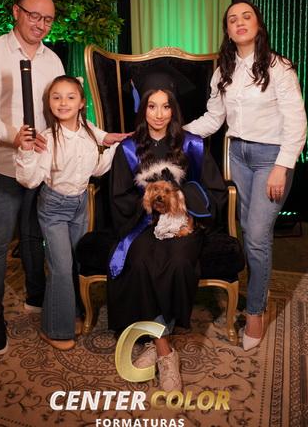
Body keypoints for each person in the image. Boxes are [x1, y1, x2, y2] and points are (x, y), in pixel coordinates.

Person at [0, 0, 125, 356]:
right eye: (34, 15)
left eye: (47, 19)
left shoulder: (52, 60)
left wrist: (100, 137)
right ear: (16, 12)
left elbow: (65, 114)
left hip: (43, 167)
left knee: (34, 238)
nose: (41, 24)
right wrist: (10, 135)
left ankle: (37, 296)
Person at [185, 0, 307, 351]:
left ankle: (255, 311)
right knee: (250, 234)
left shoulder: (279, 67)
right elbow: (214, 118)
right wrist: (176, 131)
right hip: (237, 155)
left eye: (246, 16)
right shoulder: (223, 70)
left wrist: (282, 166)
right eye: (232, 19)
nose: (239, 22)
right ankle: (258, 291)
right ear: (227, 30)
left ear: (258, 24)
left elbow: (297, 121)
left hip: (271, 158)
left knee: (256, 235)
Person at [107, 73, 228, 391]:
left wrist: (187, 209)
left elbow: (214, 190)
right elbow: (120, 197)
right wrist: (148, 204)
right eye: (152, 106)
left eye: (165, 106)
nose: (159, 114)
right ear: (143, 109)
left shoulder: (192, 145)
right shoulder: (129, 149)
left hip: (184, 222)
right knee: (141, 261)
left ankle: (155, 341)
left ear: (174, 109)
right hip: (143, 224)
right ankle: (165, 350)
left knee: (178, 262)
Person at [15, 75, 118, 350]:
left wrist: (117, 148)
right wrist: (26, 152)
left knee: (74, 263)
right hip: (54, 207)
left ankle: (70, 312)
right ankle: (54, 330)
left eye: (70, 97)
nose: (63, 102)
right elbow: (30, 181)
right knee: (60, 267)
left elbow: (96, 168)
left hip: (80, 204)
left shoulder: (88, 131)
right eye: (56, 97)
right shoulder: (47, 138)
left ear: (82, 102)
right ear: (49, 103)